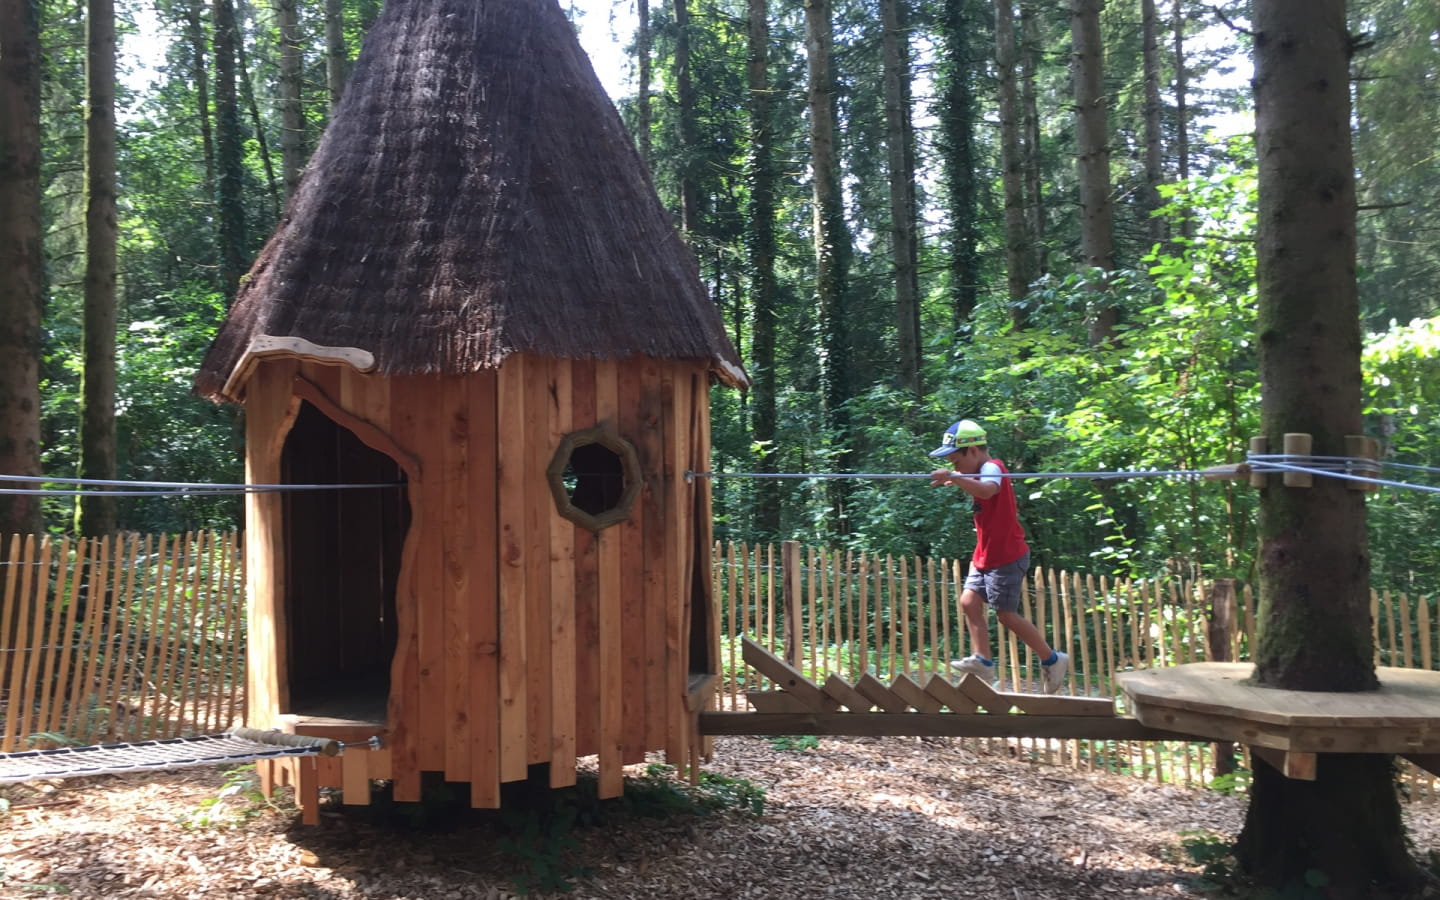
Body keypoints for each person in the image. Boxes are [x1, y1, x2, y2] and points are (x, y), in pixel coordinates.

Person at [927, 419, 1070, 694]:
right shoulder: (978, 472)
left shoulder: (992, 467)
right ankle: (983, 662)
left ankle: (1052, 659)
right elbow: (979, 487)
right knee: (969, 601)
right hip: (986, 555)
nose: (955, 466)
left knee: (1005, 615)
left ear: (972, 451)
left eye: (956, 460)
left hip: (1005, 555)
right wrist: (959, 478)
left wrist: (956, 477)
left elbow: (989, 489)